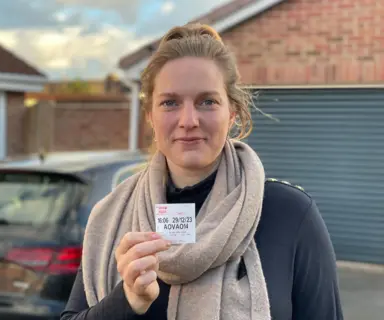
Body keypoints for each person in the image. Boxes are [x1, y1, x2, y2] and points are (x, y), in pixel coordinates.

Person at [61, 23, 343, 320]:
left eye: (207, 101)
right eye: (170, 103)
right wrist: (126, 302)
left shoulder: (290, 214)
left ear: (232, 113)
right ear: (150, 116)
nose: (188, 120)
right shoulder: (110, 217)